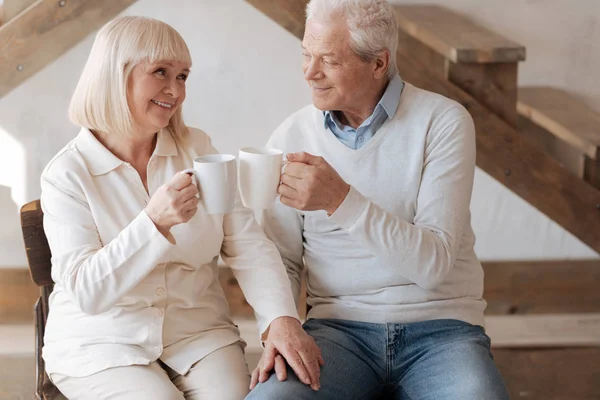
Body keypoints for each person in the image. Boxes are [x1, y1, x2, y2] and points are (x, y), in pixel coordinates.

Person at [40, 16, 321, 400]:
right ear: (114, 75)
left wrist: (281, 320)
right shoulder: (67, 173)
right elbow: (89, 292)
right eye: (160, 72)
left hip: (198, 336)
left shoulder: (199, 150)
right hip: (103, 342)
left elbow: (248, 245)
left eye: (183, 76)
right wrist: (153, 223)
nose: (175, 90)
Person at [246, 0, 510, 399]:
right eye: (306, 54)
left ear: (378, 63)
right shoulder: (291, 136)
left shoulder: (442, 122)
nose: (309, 72)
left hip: (442, 332)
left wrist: (339, 198)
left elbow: (433, 263)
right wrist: (278, 324)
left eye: (328, 60)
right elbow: (279, 257)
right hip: (336, 332)